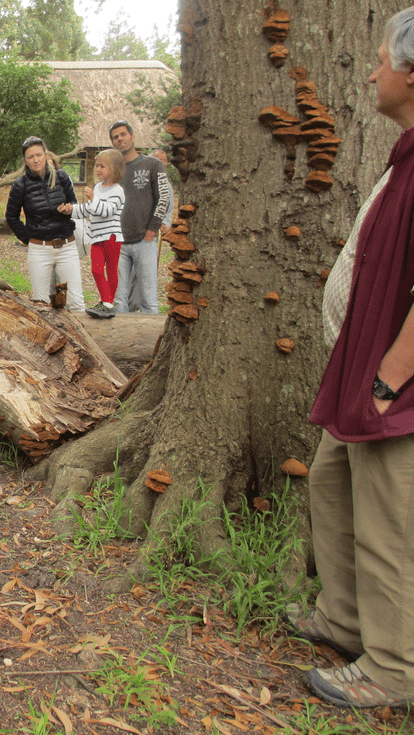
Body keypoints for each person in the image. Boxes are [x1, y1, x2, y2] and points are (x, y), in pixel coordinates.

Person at [292, 6, 414, 708]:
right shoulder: (406, 153)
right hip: (363, 365)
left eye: (381, 59)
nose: (370, 71)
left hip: (395, 381)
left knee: (389, 516)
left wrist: (391, 378)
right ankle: (344, 619)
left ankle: (394, 666)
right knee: (330, 479)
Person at [5, 136, 84, 312]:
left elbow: (75, 205)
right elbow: (11, 217)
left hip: (66, 246)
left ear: (45, 155)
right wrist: (29, 238)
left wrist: (69, 209)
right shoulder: (20, 185)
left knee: (76, 301)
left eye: (39, 155)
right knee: (40, 303)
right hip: (39, 250)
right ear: (25, 160)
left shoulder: (62, 177)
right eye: (30, 156)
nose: (35, 160)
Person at [109, 120, 171, 314]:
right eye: (115, 137)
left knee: (149, 299)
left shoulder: (152, 165)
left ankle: (150, 342)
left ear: (132, 137)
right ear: (113, 143)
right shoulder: (113, 170)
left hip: (144, 241)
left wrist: (152, 231)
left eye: (123, 134)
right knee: (119, 300)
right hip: (117, 242)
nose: (120, 139)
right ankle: (121, 343)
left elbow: (163, 198)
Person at [60, 148, 125, 318]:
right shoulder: (98, 188)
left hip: (111, 237)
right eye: (97, 165)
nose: (97, 169)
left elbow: (106, 211)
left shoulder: (118, 191)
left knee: (111, 270)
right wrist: (70, 210)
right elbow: (88, 210)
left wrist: (92, 198)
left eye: (102, 166)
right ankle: (106, 301)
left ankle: (107, 304)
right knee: (96, 270)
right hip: (96, 237)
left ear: (114, 168)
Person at [129, 149, 174, 312]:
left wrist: (164, 224)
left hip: (150, 237)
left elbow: (168, 210)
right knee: (131, 275)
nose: (162, 163)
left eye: (165, 160)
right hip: (133, 235)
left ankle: (146, 309)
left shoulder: (167, 186)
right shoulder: (141, 181)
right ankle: (130, 307)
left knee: (146, 276)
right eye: (158, 160)